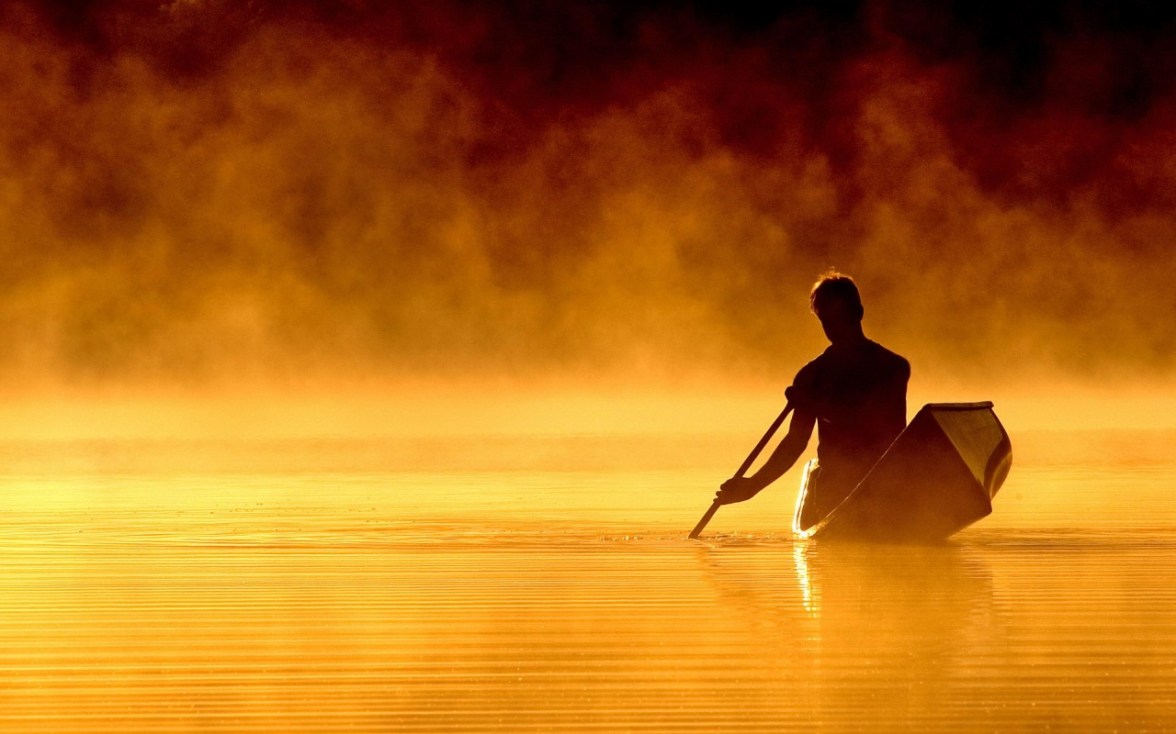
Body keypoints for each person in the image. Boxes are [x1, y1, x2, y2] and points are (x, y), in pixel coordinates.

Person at [716, 272, 910, 529]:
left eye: (841, 318)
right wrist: (753, 485)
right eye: (826, 320)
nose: (834, 328)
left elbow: (877, 423)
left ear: (859, 313)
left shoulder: (892, 367)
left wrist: (812, 405)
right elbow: (795, 443)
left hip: (887, 484)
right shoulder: (812, 375)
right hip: (836, 487)